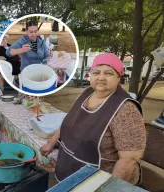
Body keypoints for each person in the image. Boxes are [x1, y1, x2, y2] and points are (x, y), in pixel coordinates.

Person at [40, 53, 146, 185]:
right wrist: (51, 143)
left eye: (108, 73)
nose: (101, 77)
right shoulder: (86, 93)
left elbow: (129, 159)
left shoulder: (126, 110)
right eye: (96, 72)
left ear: (119, 77)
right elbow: (69, 122)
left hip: (102, 179)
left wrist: (110, 188)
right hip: (71, 168)